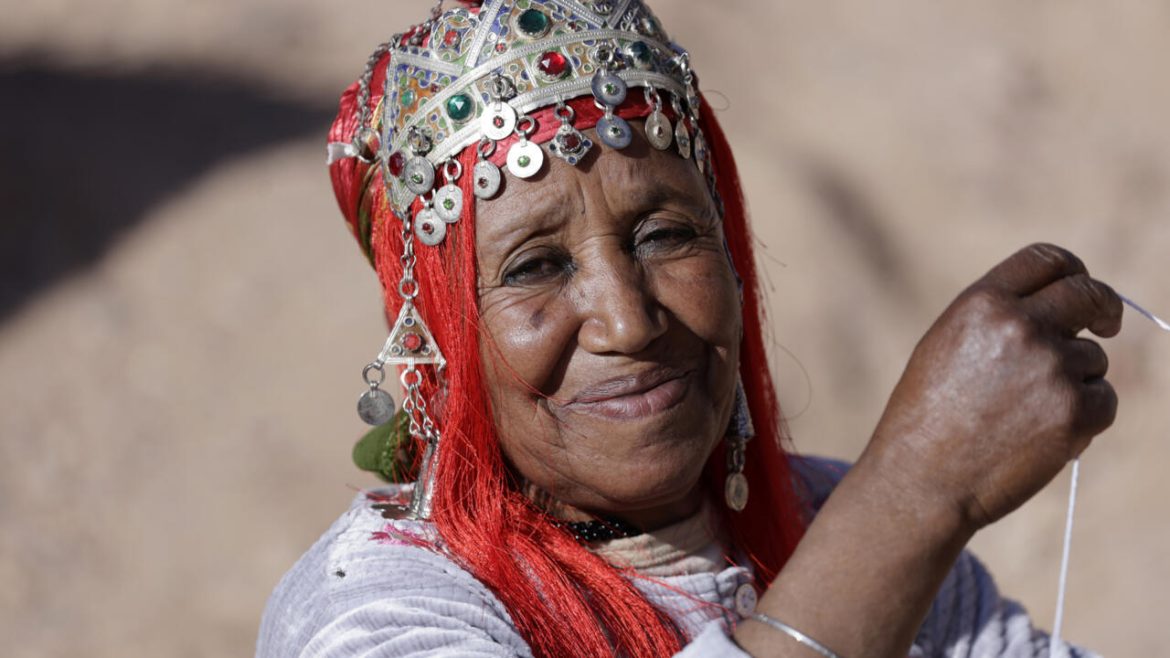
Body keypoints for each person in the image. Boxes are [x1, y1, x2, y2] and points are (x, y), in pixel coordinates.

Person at [258, 1, 1121, 656]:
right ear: (436, 339)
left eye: (664, 235)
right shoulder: (374, 609)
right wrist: (913, 500)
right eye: (535, 268)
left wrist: (898, 511)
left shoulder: (821, 517)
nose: (629, 321)